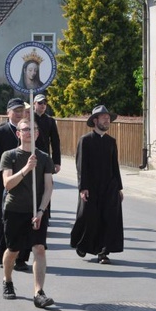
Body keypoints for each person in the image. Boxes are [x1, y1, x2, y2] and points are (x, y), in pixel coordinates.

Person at [0, 120, 55, 308]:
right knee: (13, 250)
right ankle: (7, 280)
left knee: (39, 248)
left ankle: (38, 292)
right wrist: (26, 169)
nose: (29, 132)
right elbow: (7, 184)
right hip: (15, 209)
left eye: (33, 130)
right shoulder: (9, 156)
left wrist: (41, 210)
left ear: (38, 134)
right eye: (25, 129)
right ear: (18, 133)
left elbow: (48, 187)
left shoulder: (44, 157)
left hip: (36, 211)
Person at [70, 105, 124, 264]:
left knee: (109, 218)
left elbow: (115, 166)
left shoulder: (111, 141)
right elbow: (81, 166)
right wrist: (83, 187)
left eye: (108, 118)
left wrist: (119, 188)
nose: (107, 121)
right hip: (90, 186)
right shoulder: (85, 140)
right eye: (104, 118)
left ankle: (103, 252)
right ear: (95, 120)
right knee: (86, 217)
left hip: (109, 186)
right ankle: (82, 243)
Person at [0, 98, 31, 271]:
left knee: (25, 221)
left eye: (22, 110)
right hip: (4, 183)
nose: (19, 114)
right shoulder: (1, 132)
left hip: (26, 183)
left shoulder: (30, 130)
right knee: (3, 220)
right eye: (16, 111)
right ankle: (2, 252)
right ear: (8, 112)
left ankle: (21, 257)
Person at [33, 94, 61, 174]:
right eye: (40, 103)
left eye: (45, 103)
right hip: (30, 155)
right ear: (34, 103)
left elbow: (55, 141)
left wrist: (57, 162)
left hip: (45, 156)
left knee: (46, 183)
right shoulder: (28, 118)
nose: (43, 105)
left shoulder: (50, 120)